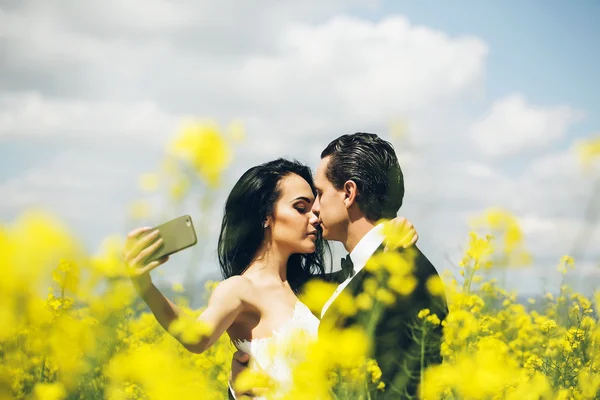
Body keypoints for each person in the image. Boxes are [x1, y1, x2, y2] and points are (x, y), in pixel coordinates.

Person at [122, 157, 418, 399]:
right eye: (300, 208)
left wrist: (392, 236)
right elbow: (196, 337)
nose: (314, 217)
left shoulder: (314, 289)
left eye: (314, 207)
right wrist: (144, 286)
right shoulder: (240, 289)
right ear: (266, 216)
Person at [231, 133, 448, 399]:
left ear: (348, 193)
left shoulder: (408, 276)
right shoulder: (323, 286)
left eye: (320, 195)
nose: (316, 210)